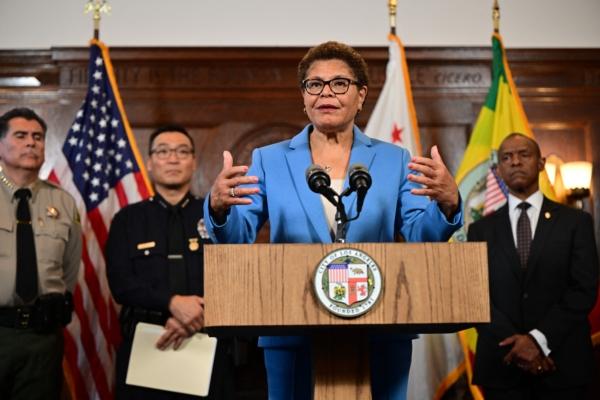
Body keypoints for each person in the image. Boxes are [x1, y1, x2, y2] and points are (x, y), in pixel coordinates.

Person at [203, 41, 462, 400]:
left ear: (361, 95)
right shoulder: (269, 160)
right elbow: (236, 238)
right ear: (304, 97)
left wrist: (447, 206)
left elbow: (421, 235)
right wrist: (219, 209)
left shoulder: (393, 159)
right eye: (315, 84)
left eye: (340, 83)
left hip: (380, 327)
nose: (326, 92)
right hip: (289, 325)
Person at [105, 125, 234, 400]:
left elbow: (235, 276)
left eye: (182, 152)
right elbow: (121, 284)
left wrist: (196, 315)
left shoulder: (217, 216)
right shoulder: (128, 219)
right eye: (163, 152)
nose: (173, 159)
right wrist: (172, 303)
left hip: (207, 340)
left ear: (194, 161)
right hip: (148, 342)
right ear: (150, 163)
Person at [467, 133, 599, 399]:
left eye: (523, 154)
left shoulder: (576, 222)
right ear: (498, 169)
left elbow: (583, 290)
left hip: (563, 366)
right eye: (506, 157)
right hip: (502, 368)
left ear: (541, 163)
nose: (515, 162)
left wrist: (537, 339)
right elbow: (474, 296)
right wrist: (517, 345)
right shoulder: (480, 229)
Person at [0, 107, 82, 399]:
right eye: (20, 136)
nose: (31, 143)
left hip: (42, 338)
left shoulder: (63, 202)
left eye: (37, 137)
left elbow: (70, 268)